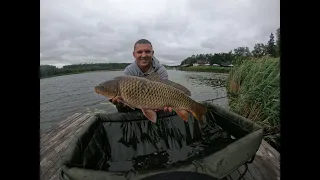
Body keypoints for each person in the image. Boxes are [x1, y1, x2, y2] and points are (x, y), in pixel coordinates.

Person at [110, 39, 173, 113]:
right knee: (120, 104)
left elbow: (166, 91)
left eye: (147, 52)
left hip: (158, 101)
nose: (143, 55)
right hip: (135, 103)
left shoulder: (160, 70)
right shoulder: (129, 71)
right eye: (139, 52)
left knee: (166, 109)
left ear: (152, 53)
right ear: (134, 54)